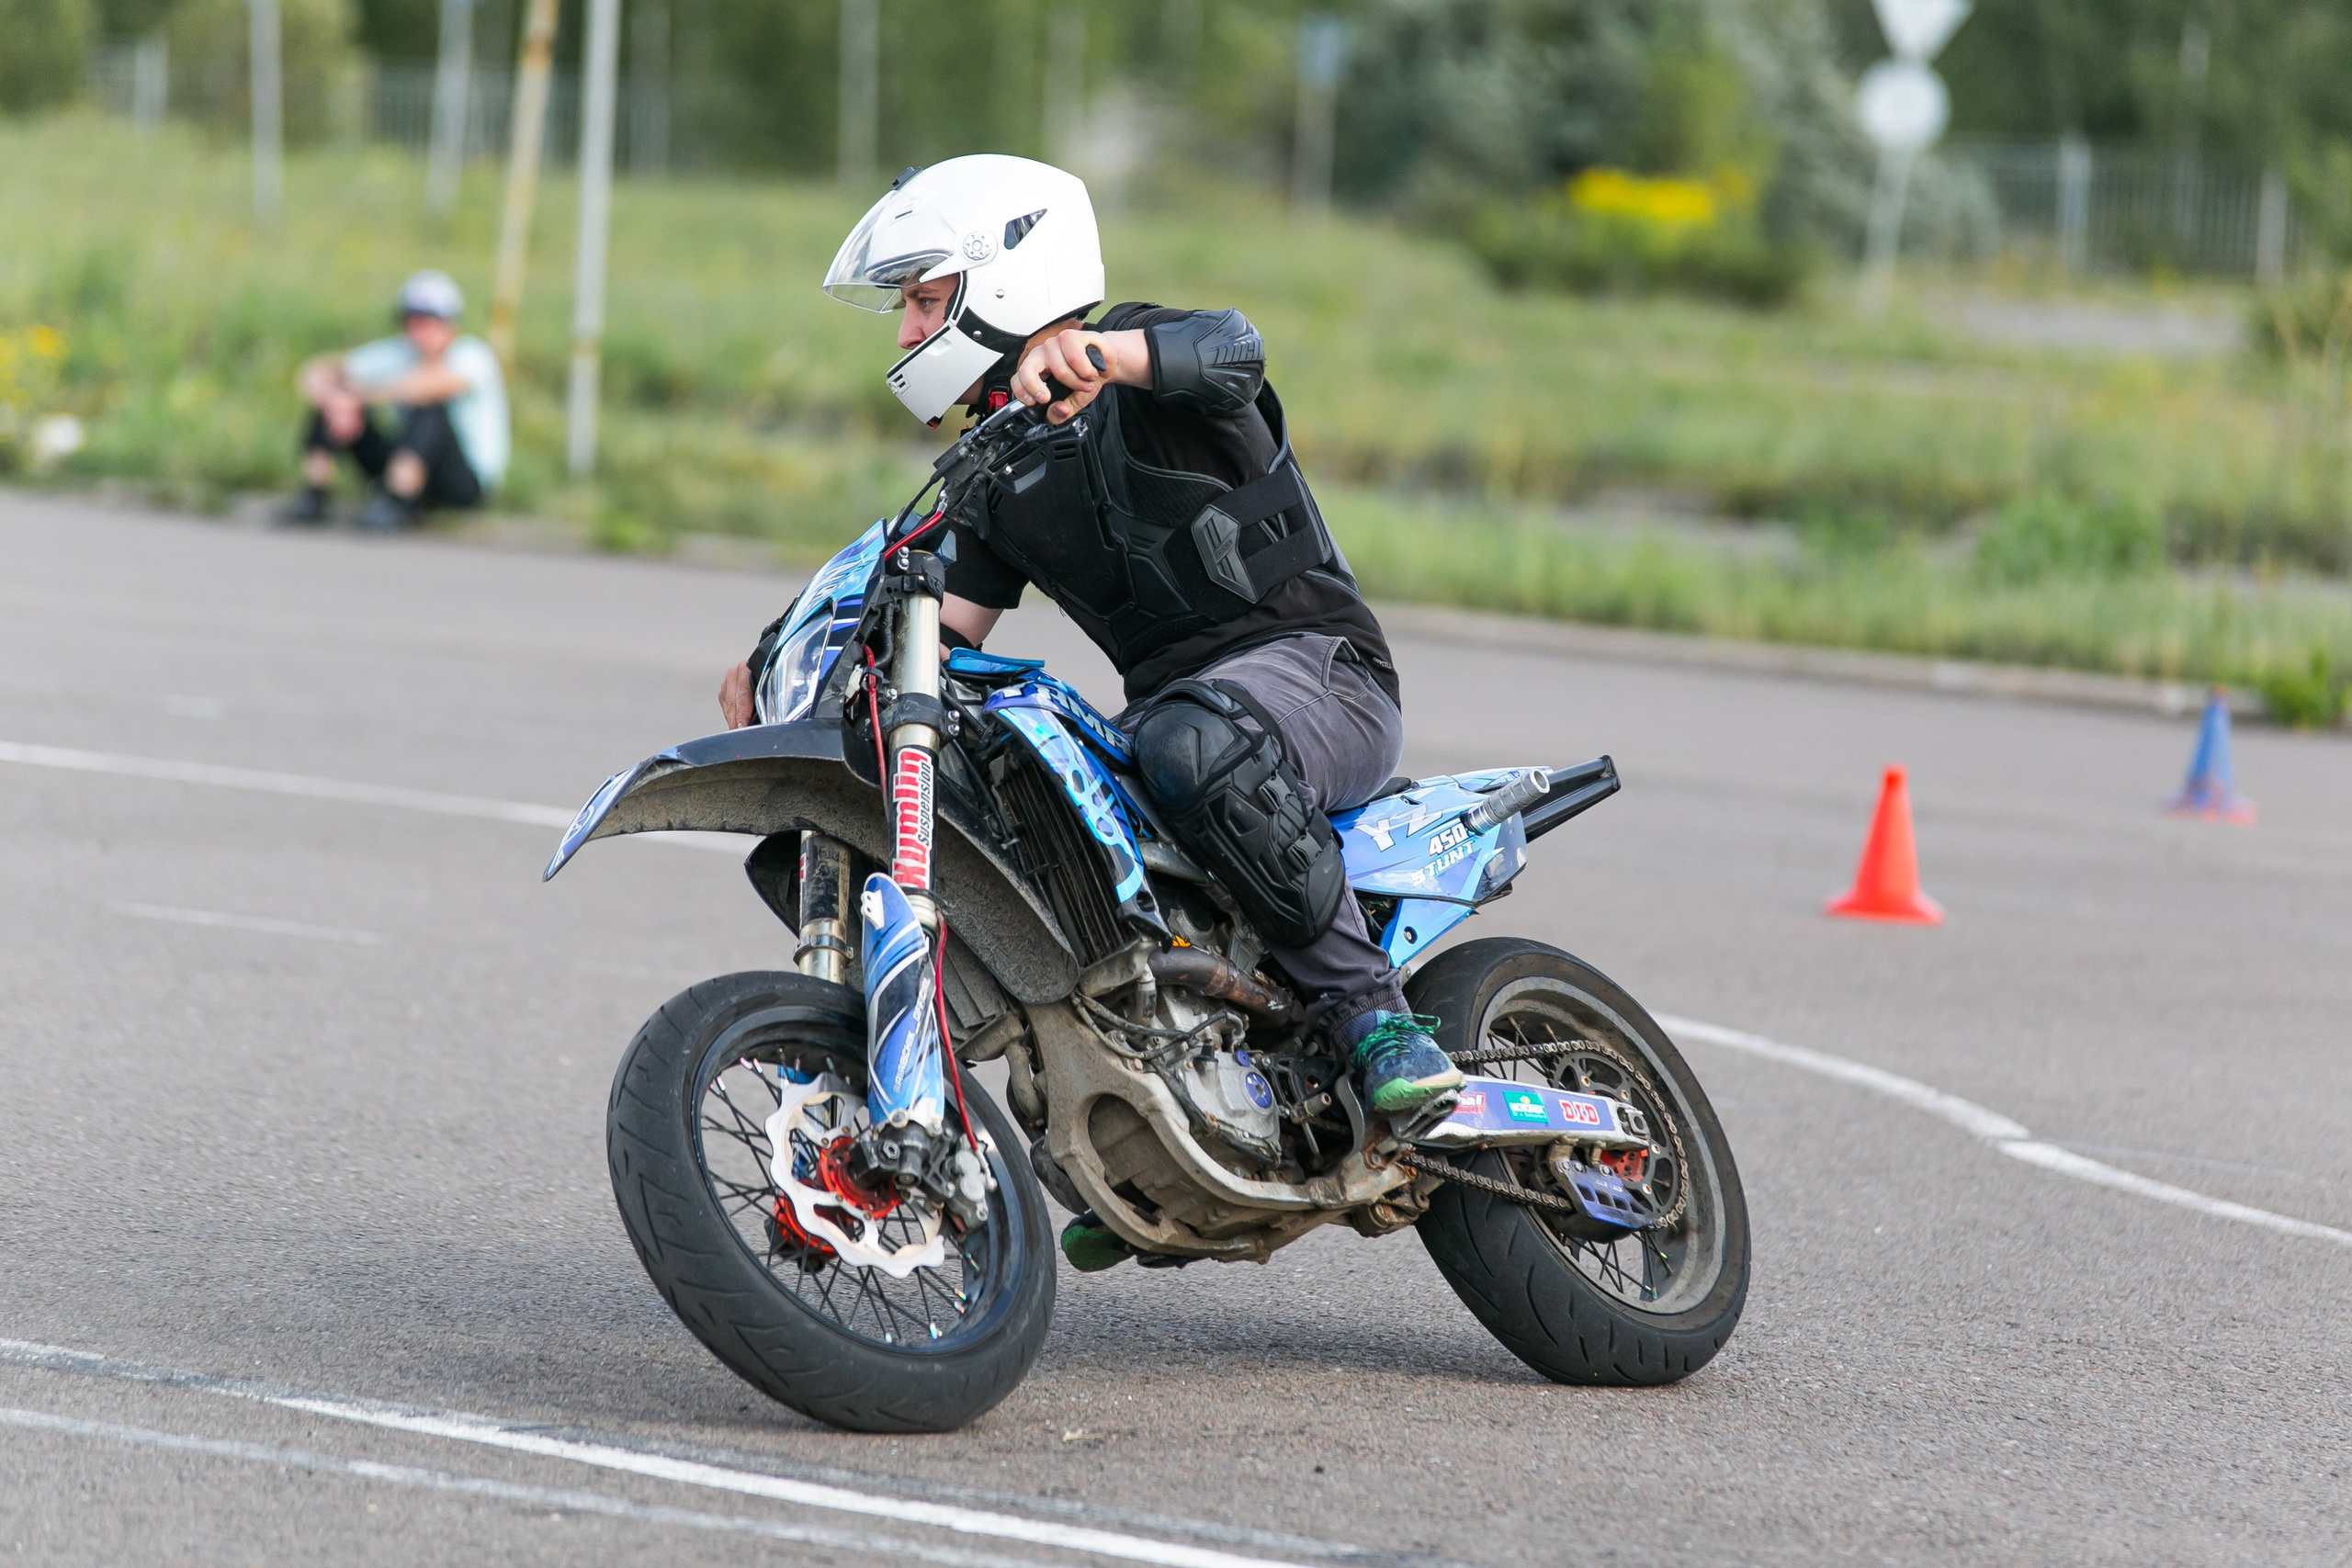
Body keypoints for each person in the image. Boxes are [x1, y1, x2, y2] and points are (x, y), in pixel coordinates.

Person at [718, 155, 1462, 1165]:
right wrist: (796, 669)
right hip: (1178, 718)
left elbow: (1233, 349)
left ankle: (1377, 1019)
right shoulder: (998, 475)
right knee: (1018, 795)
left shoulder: (1149, 369)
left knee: (1190, 741)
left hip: (1320, 674)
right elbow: (938, 630)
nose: (905, 333)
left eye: (924, 300)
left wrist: (1106, 355)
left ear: (1003, 277)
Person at [285, 270, 509, 530]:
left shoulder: (472, 355)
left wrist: (358, 397)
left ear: (449, 324)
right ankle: (314, 494)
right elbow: (316, 372)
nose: (418, 331)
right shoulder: (398, 352)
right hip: (406, 466)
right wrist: (335, 399)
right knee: (339, 396)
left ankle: (398, 501)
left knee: (429, 410)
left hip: (463, 481)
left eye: (427, 322)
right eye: (411, 321)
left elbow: (430, 386)